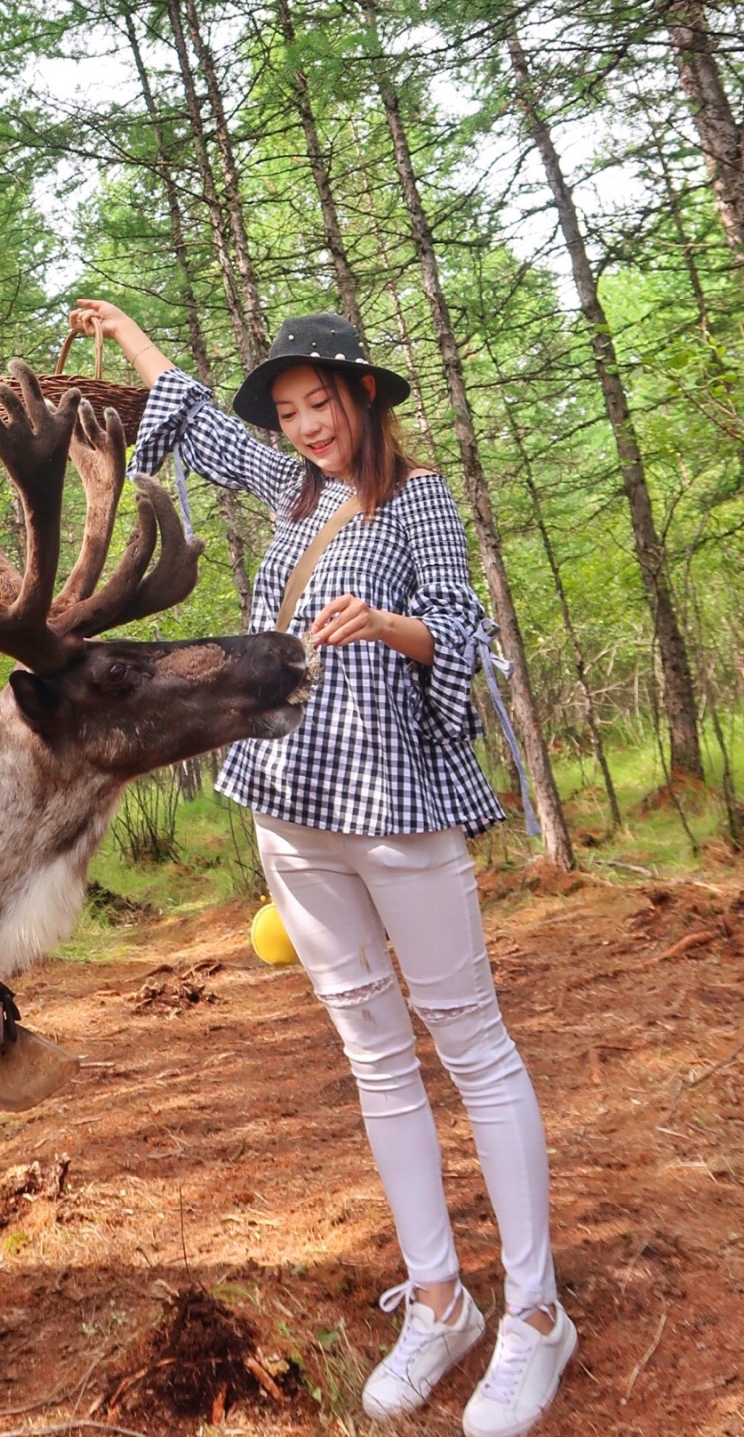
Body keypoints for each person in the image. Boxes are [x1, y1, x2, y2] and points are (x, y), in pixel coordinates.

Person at [69, 300, 577, 1437]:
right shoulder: (295, 493)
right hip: (289, 805)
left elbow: (465, 628)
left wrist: (389, 623)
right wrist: (135, 333)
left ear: (365, 399)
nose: (305, 426)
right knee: (375, 1053)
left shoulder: (419, 501)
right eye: (290, 411)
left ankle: (536, 1316)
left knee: (472, 1043)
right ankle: (439, 1297)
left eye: (320, 404)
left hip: (396, 805)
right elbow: (197, 422)